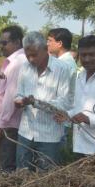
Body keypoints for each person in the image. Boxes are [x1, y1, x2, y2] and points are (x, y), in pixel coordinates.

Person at [14, 31, 72, 171]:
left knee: (46, 181)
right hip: (25, 133)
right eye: (28, 56)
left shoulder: (63, 69)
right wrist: (19, 101)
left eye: (34, 55)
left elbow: (64, 102)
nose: (31, 59)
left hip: (49, 137)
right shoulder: (25, 68)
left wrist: (36, 103)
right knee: (22, 176)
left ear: (45, 49)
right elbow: (19, 94)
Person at [0, 25, 26, 172]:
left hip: (9, 125)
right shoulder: (13, 61)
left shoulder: (17, 63)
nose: (1, 46)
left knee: (7, 165)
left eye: (5, 43)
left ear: (17, 42)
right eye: (1, 42)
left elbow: (10, 97)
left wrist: (0, 125)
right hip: (8, 122)